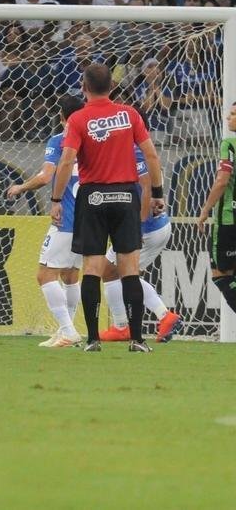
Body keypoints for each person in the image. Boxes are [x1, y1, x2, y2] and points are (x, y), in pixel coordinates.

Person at [49, 63, 165, 352]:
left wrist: (55, 199)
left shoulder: (78, 119)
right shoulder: (129, 114)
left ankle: (92, 340)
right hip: (126, 195)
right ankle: (137, 340)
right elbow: (151, 155)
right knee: (130, 268)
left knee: (92, 266)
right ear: (112, 87)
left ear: (84, 87)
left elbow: (66, 161)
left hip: (93, 196)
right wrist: (157, 194)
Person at [6, 94, 84, 348]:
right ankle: (67, 330)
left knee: (45, 274)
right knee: (71, 274)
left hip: (67, 216)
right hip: (91, 218)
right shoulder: (93, 140)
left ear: (61, 115)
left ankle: (67, 329)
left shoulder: (60, 140)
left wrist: (20, 187)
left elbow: (46, 175)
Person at [96, 142, 183, 343]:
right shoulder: (139, 153)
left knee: (119, 273)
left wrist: (140, 226)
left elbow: (146, 190)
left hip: (147, 229)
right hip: (153, 226)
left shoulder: (135, 154)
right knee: (112, 272)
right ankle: (125, 325)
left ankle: (149, 319)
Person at [195, 103, 236, 317]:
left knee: (221, 274)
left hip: (229, 220)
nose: (229, 117)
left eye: (234, 114)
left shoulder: (229, 144)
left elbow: (221, 181)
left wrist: (205, 209)